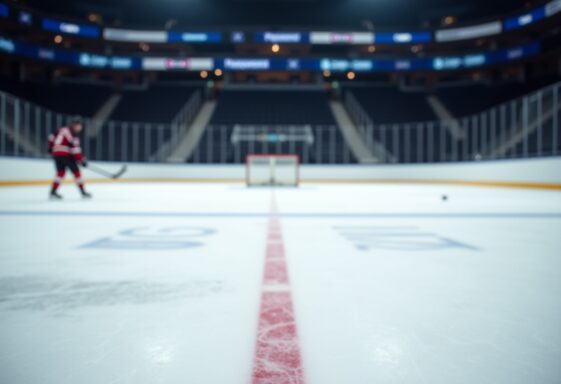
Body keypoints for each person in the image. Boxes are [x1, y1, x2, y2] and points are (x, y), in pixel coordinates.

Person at [48, 119, 92, 199]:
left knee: (60, 173)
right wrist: (81, 160)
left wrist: (51, 148)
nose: (80, 128)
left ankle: (53, 192)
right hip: (65, 154)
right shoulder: (73, 135)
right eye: (79, 126)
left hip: (56, 154)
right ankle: (83, 192)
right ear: (74, 125)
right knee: (77, 172)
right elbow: (75, 150)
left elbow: (51, 137)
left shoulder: (61, 130)